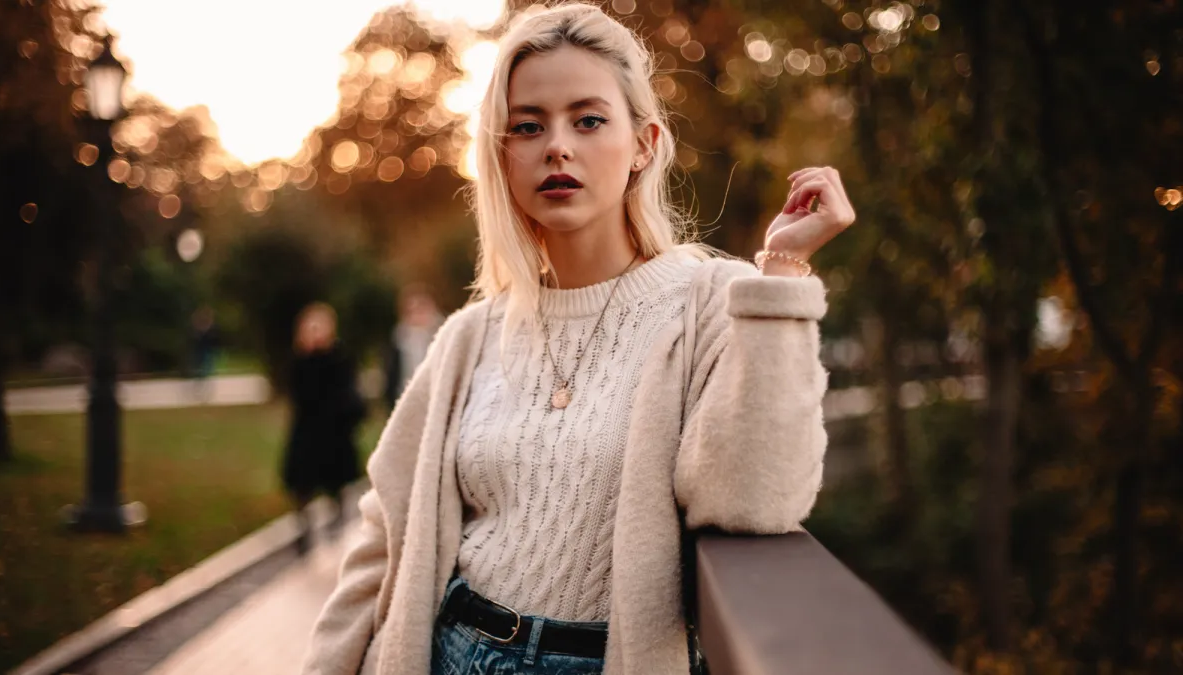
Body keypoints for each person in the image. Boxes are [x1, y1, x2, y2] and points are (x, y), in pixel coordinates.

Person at [302, 4, 855, 674]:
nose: (556, 146)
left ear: (644, 143)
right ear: (501, 155)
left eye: (588, 120)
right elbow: (385, 531)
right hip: (455, 649)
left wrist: (784, 276)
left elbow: (752, 498)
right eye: (528, 126)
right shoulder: (469, 337)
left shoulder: (714, 299)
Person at [283, 302, 365, 554]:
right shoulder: (300, 361)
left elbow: (348, 394)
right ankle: (304, 531)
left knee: (335, 484)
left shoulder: (339, 358)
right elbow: (298, 396)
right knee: (302, 487)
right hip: (308, 434)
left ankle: (337, 524)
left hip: (334, 434)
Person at [381, 284, 445, 410]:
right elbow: (392, 376)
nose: (417, 315)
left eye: (421, 308)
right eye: (412, 310)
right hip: (407, 401)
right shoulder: (398, 339)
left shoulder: (444, 335)